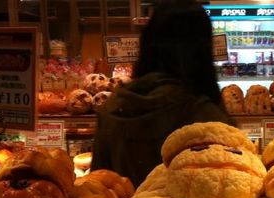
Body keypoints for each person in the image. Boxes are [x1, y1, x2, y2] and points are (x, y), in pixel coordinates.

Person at [92, 0, 234, 187]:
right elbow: (227, 188)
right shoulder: (206, 115)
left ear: (147, 44)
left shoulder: (112, 108)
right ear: (202, 52)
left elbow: (97, 184)